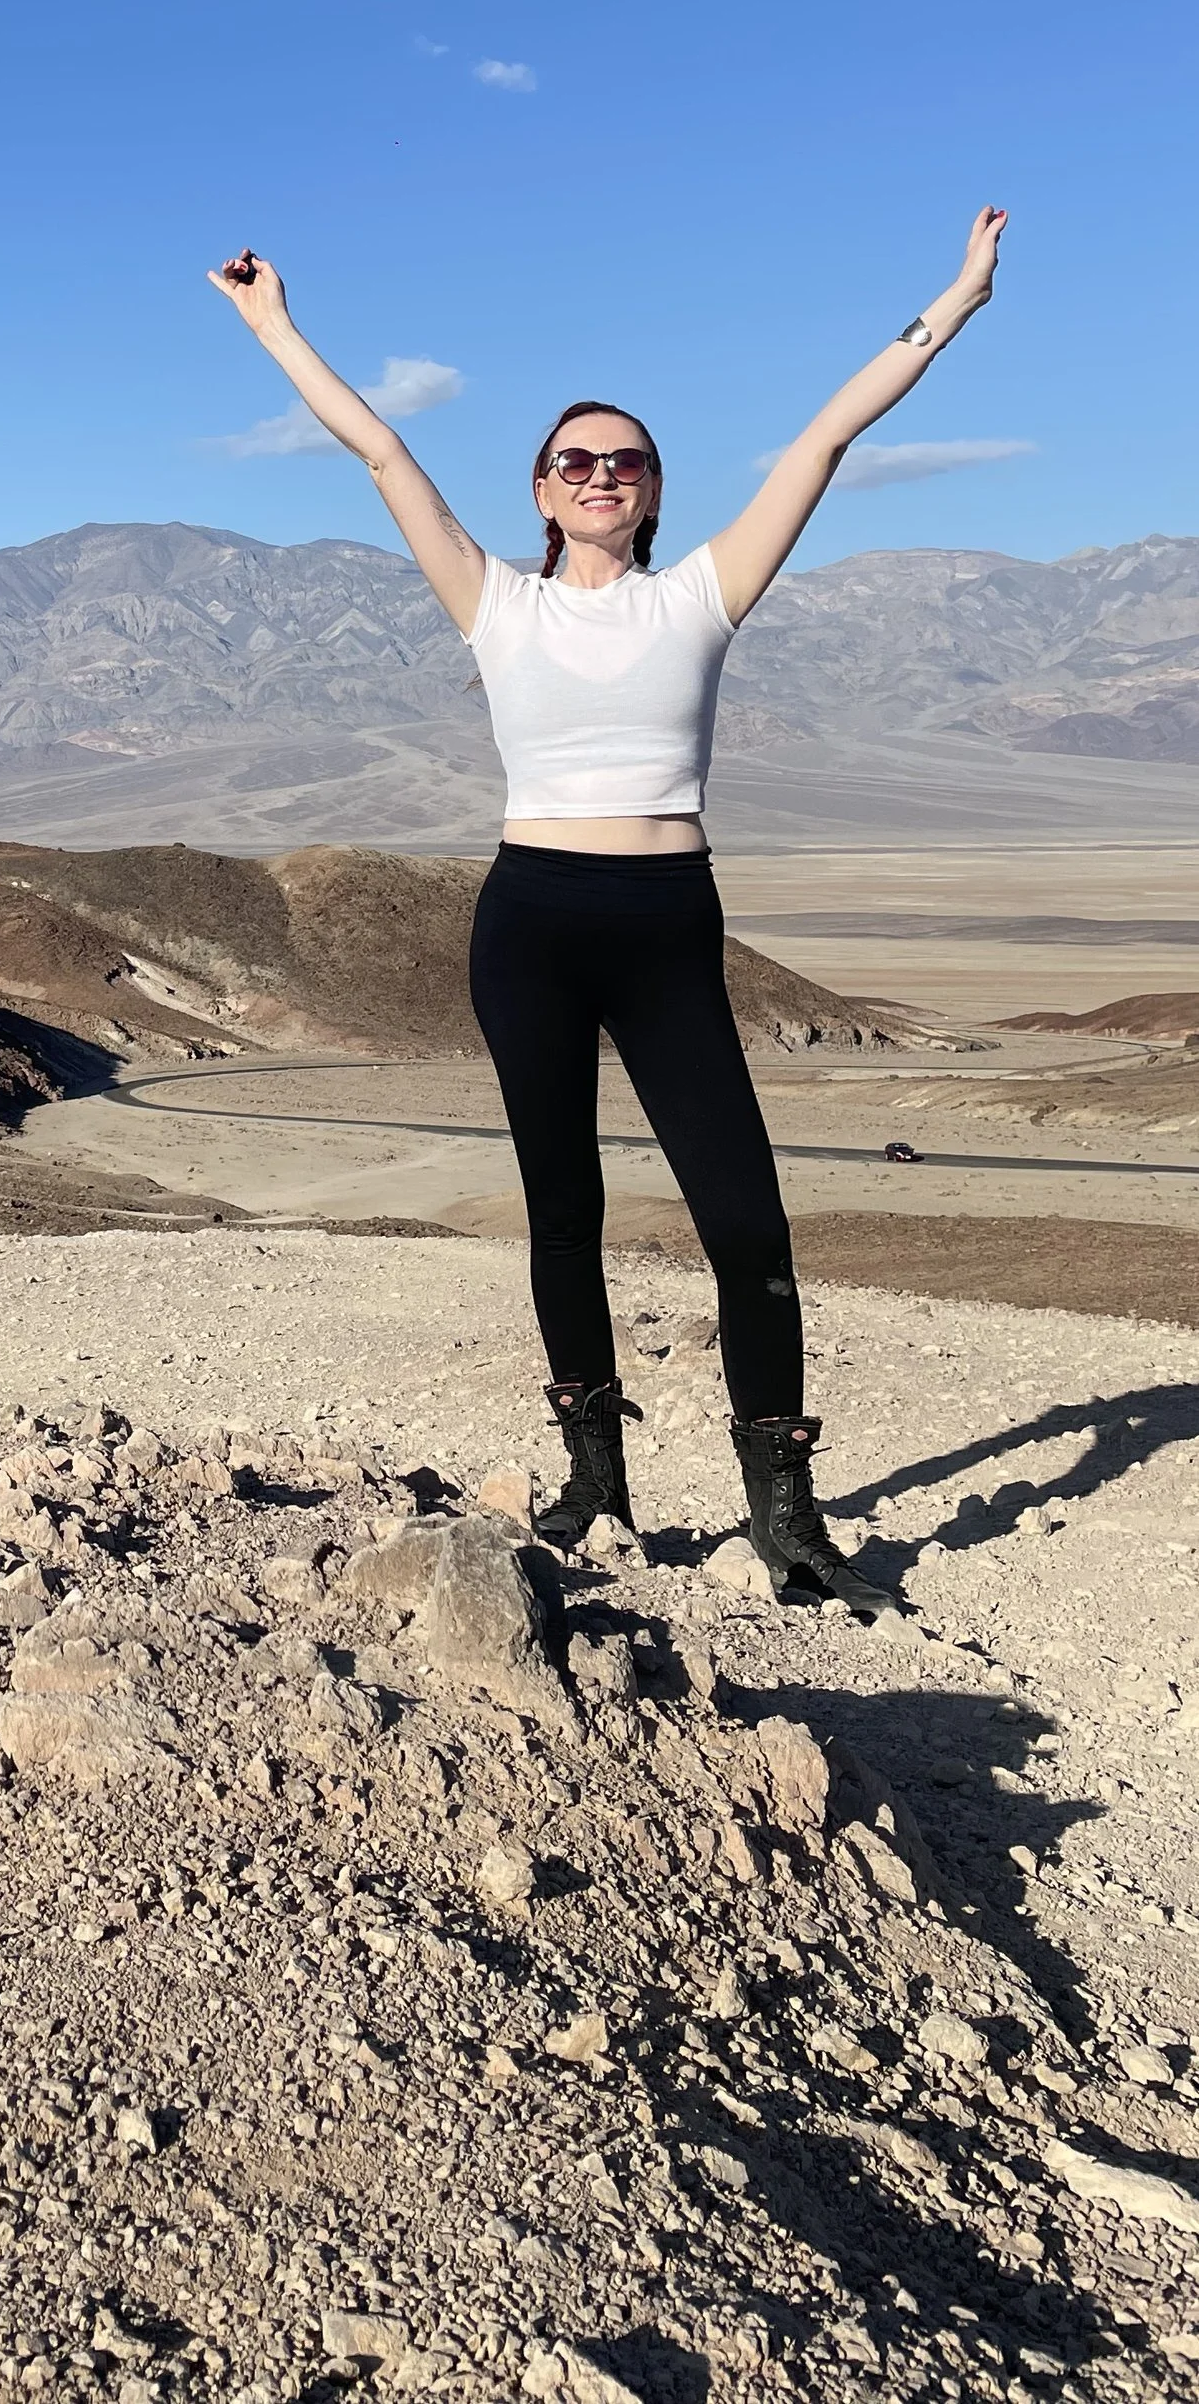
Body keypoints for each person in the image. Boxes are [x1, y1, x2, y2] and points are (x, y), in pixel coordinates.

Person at [209, 208, 1008, 1605]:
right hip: (531, 921)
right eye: (573, 460)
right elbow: (383, 449)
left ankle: (786, 1512)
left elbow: (823, 439)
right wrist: (275, 325)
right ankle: (596, 1478)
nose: (598, 476)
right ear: (538, 489)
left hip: (666, 924)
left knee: (746, 1220)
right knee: (561, 1206)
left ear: (651, 491)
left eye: (623, 462)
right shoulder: (496, 606)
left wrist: (956, 301)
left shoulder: (704, 594)